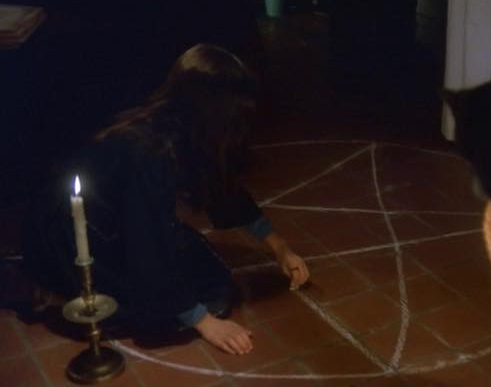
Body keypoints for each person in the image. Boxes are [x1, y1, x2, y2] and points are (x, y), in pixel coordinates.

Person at [22, 43, 310, 355]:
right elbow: (148, 241)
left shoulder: (185, 127)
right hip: (73, 237)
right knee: (168, 306)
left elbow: (224, 190)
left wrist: (280, 247)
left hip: (115, 225)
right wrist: (203, 322)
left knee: (208, 276)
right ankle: (54, 288)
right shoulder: (150, 150)